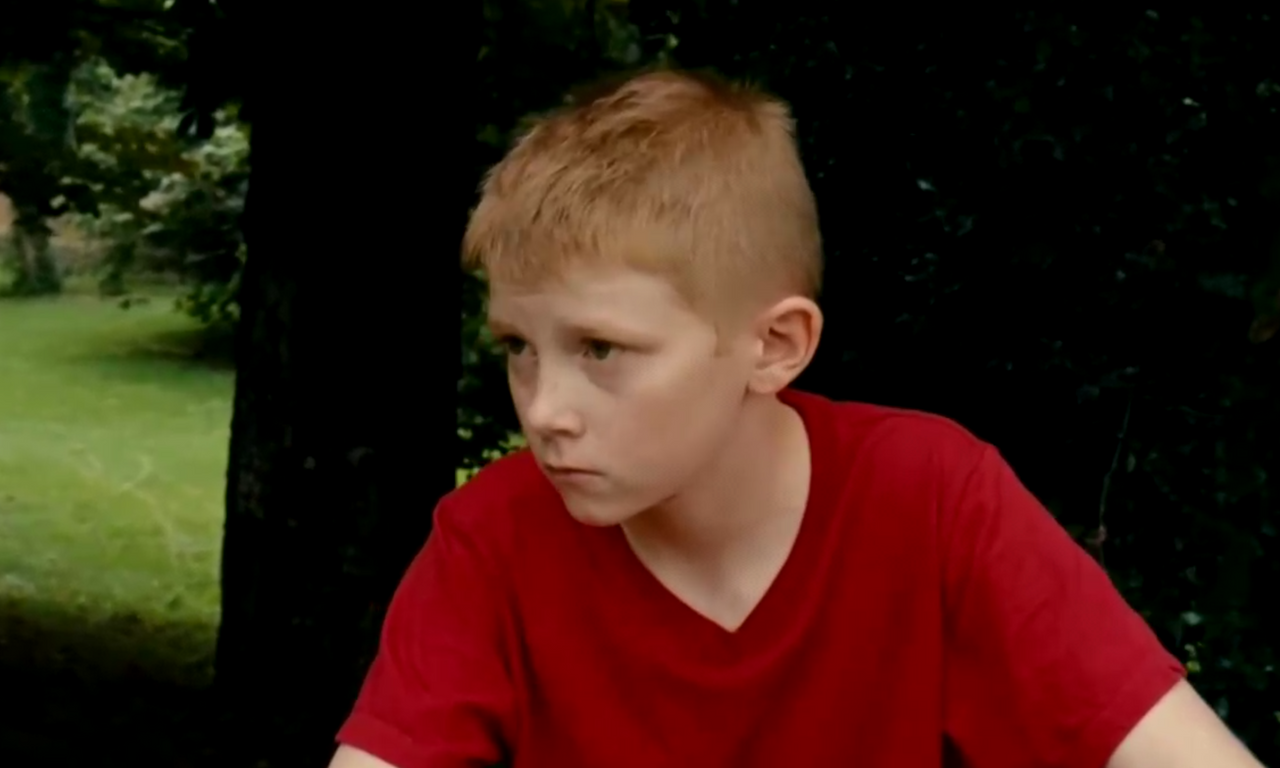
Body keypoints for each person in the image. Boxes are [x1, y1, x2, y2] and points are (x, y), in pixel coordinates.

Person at [328, 69, 1265, 768]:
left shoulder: (930, 500)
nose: (543, 410)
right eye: (518, 347)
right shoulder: (495, 540)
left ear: (776, 345)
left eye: (601, 350)